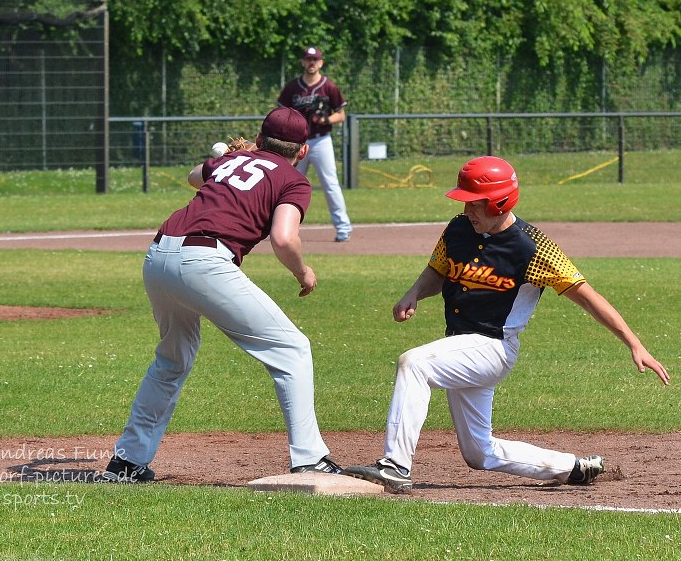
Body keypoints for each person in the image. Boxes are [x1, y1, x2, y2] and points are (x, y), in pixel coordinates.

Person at [345, 156, 670, 493]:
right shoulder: (459, 229)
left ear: (500, 202)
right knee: (478, 453)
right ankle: (572, 468)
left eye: (475, 203)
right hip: (459, 345)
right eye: (465, 201)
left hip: (494, 347)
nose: (468, 209)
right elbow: (440, 270)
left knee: (414, 363)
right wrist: (414, 293)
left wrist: (634, 343)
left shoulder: (533, 247)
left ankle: (395, 466)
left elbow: (588, 297)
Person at [103, 106, 343, 482]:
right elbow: (283, 238)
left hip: (159, 255)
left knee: (171, 362)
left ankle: (127, 462)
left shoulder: (235, 159)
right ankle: (309, 457)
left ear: (261, 139)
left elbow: (193, 177)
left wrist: (233, 157)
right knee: (292, 349)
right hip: (204, 262)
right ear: (303, 151)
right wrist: (304, 272)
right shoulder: (294, 180)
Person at [278, 46, 353, 243]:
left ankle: (343, 227)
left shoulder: (329, 87)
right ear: (303, 62)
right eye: (308, 59)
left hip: (321, 140)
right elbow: (281, 113)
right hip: (295, 143)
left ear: (321, 63)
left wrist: (326, 120)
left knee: (330, 184)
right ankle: (282, 228)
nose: (312, 63)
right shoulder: (292, 88)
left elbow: (341, 114)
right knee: (287, 185)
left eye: (315, 60)